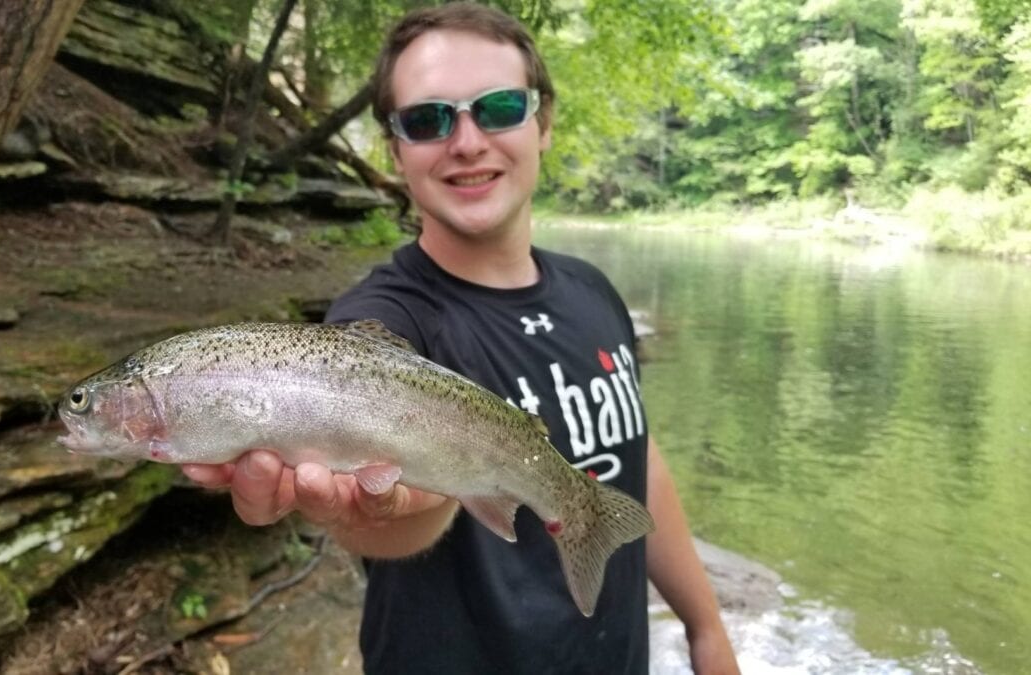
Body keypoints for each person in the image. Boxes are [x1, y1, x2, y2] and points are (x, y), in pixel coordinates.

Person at [183, 3, 739, 673]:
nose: (467, 141)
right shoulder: (381, 325)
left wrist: (705, 626)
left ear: (545, 122)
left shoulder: (595, 292)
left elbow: (634, 457)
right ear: (395, 150)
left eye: (499, 107)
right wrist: (387, 504)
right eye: (428, 119)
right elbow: (391, 515)